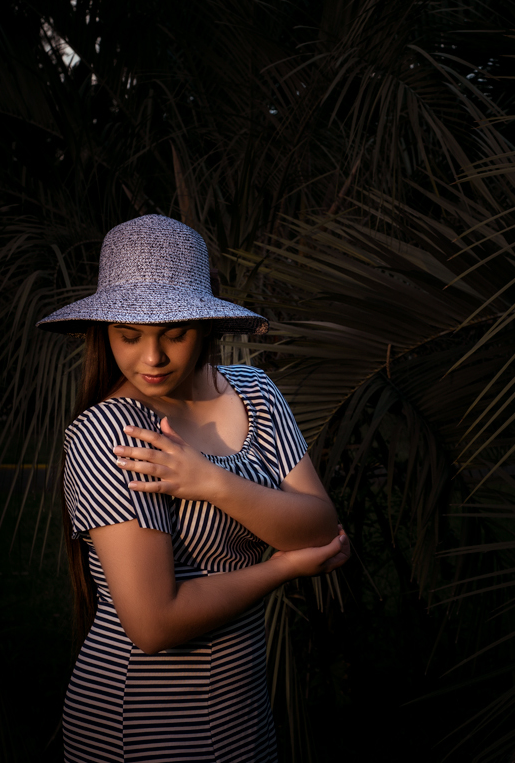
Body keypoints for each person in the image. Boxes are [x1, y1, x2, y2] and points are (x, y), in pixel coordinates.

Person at [37, 215, 348, 762]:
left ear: (205, 326)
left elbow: (320, 525)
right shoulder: (109, 433)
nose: (151, 359)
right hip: (141, 723)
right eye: (129, 336)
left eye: (174, 333)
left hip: (241, 717)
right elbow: (154, 623)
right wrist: (282, 568)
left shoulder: (255, 393)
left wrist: (211, 482)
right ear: (105, 329)